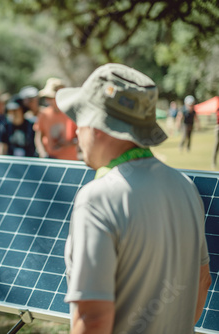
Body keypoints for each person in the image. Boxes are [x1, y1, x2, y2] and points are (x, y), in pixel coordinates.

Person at [57, 63, 211, 333]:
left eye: (79, 119)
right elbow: (202, 281)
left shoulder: (97, 198)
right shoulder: (185, 186)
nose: (76, 133)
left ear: (97, 126)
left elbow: (92, 318)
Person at [35, 77, 78, 160]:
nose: (48, 100)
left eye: (51, 97)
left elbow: (80, 138)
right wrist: (43, 154)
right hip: (51, 161)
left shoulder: (71, 114)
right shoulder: (43, 114)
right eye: (47, 97)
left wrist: (69, 143)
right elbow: (38, 137)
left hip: (69, 160)